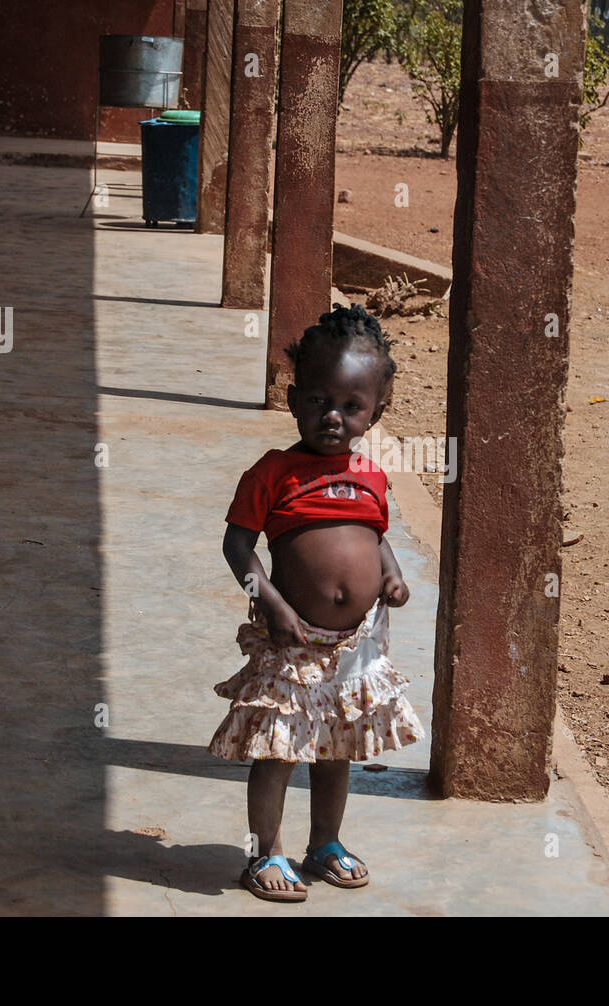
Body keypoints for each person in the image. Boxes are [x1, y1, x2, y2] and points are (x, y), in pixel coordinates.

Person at [211, 304, 425, 903]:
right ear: (293, 398)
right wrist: (269, 602)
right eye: (317, 401)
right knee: (278, 750)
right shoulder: (273, 473)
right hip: (292, 641)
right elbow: (237, 544)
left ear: (374, 412)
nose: (332, 416)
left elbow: (375, 539)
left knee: (338, 750)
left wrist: (393, 576)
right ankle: (264, 853)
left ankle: (324, 842)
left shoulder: (371, 477)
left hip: (355, 646)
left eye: (350, 406)